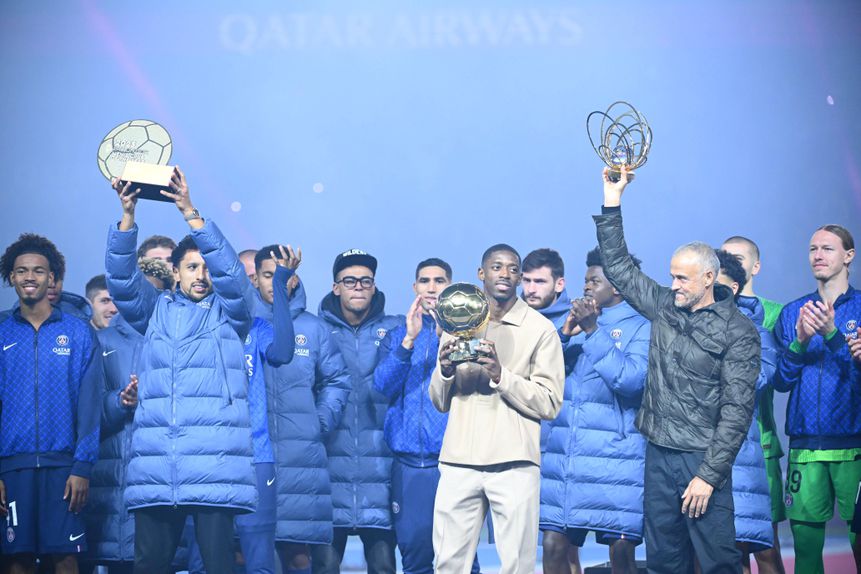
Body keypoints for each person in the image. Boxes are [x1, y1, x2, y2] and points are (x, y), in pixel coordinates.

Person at [593, 166, 760, 573]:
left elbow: (737, 412)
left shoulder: (738, 331)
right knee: (665, 561)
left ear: (709, 278)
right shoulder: (665, 306)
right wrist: (613, 199)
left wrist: (708, 476)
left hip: (702, 458)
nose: (675, 285)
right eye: (672, 276)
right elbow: (619, 268)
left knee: (719, 563)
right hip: (659, 455)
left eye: (683, 278)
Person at [105, 168, 258, 574]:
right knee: (150, 567)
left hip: (214, 466)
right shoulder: (154, 311)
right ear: (175, 272)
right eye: (191, 267)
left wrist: (190, 212)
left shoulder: (232, 314)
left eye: (206, 268)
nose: (201, 275)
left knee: (219, 567)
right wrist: (128, 216)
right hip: (159, 465)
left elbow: (234, 277)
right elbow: (121, 281)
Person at [430, 243, 565, 574]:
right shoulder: (457, 320)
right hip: (459, 461)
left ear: (519, 278)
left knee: (517, 566)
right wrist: (445, 371)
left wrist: (501, 376)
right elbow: (439, 401)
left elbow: (550, 402)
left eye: (513, 269)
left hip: (514, 464)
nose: (505, 274)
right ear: (481, 273)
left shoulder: (539, 329)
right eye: (496, 267)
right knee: (447, 564)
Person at [540, 247, 650, 574]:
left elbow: (630, 380)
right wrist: (564, 335)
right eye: (586, 280)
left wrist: (592, 331)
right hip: (568, 459)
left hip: (617, 460)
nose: (586, 286)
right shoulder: (573, 322)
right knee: (553, 546)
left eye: (595, 281)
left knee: (622, 556)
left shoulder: (642, 326)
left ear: (618, 286)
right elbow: (541, 372)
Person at [0, 233, 101, 572]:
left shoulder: (78, 332)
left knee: (66, 558)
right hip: (12, 469)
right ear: (11, 277)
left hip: (64, 468)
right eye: (22, 270)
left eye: (39, 271)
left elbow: (90, 408)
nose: (30, 277)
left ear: (52, 278)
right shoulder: (2, 333)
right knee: (17, 559)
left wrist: (82, 467)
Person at [374, 258, 480, 574]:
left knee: (463, 559)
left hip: (454, 464)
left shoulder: (468, 334)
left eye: (439, 281)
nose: (432, 287)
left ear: (451, 287)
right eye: (425, 281)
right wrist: (409, 341)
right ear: (415, 287)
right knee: (416, 560)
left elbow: (472, 382)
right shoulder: (397, 335)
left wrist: (448, 335)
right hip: (409, 468)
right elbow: (382, 385)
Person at [252, 246, 350, 574]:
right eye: (268, 275)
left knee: (298, 555)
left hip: (301, 458)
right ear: (255, 279)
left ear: (294, 278)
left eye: (282, 274)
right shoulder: (242, 325)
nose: (275, 282)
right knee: (244, 554)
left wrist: (318, 423)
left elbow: (337, 380)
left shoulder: (313, 328)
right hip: (252, 454)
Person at [772, 224, 861, 574]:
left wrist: (833, 336)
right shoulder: (793, 311)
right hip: (805, 447)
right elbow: (780, 381)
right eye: (813, 249)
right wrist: (800, 342)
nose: (818, 256)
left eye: (827, 248)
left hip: (854, 447)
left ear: (848, 256)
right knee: (806, 551)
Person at [314, 250, 402, 574]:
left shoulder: (396, 330)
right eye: (350, 281)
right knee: (323, 568)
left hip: (381, 473)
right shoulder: (316, 331)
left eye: (366, 281)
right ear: (336, 287)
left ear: (374, 286)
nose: (359, 287)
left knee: (383, 566)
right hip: (327, 474)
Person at [720, 236, 785, 573]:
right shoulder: (708, 313)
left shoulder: (773, 314)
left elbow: (772, 375)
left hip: (761, 441)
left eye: (738, 258)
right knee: (731, 546)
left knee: (765, 544)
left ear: (755, 267)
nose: (731, 263)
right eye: (724, 257)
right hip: (720, 445)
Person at [521, 248, 572, 329]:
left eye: (539, 282)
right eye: (527, 280)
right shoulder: (509, 316)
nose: (531, 290)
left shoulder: (578, 322)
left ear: (559, 285)